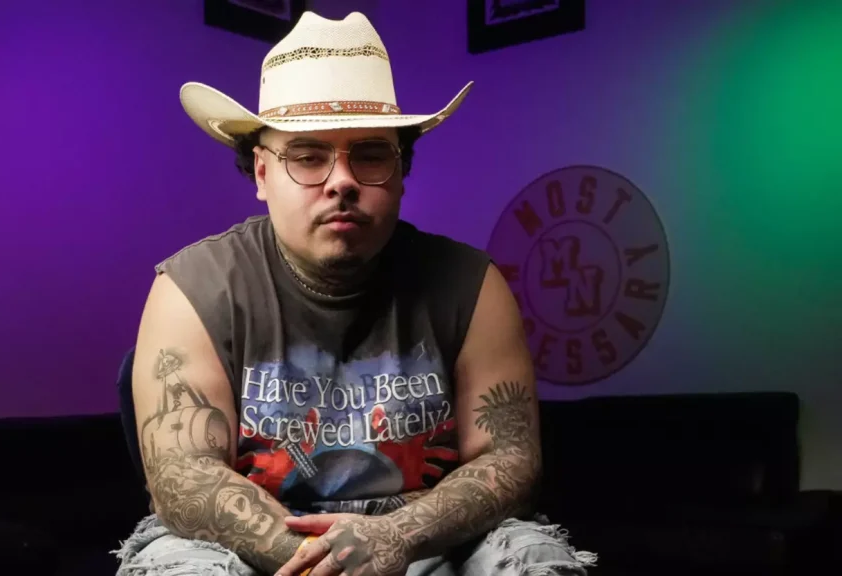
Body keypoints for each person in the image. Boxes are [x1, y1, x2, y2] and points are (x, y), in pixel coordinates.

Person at [114, 10, 596, 576]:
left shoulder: (472, 284)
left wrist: (395, 538)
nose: (342, 181)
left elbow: (510, 460)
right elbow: (184, 478)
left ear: (400, 171)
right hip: (250, 550)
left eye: (369, 154)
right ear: (262, 174)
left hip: (427, 542)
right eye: (308, 156)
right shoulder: (190, 289)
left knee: (533, 560)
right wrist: (332, 564)